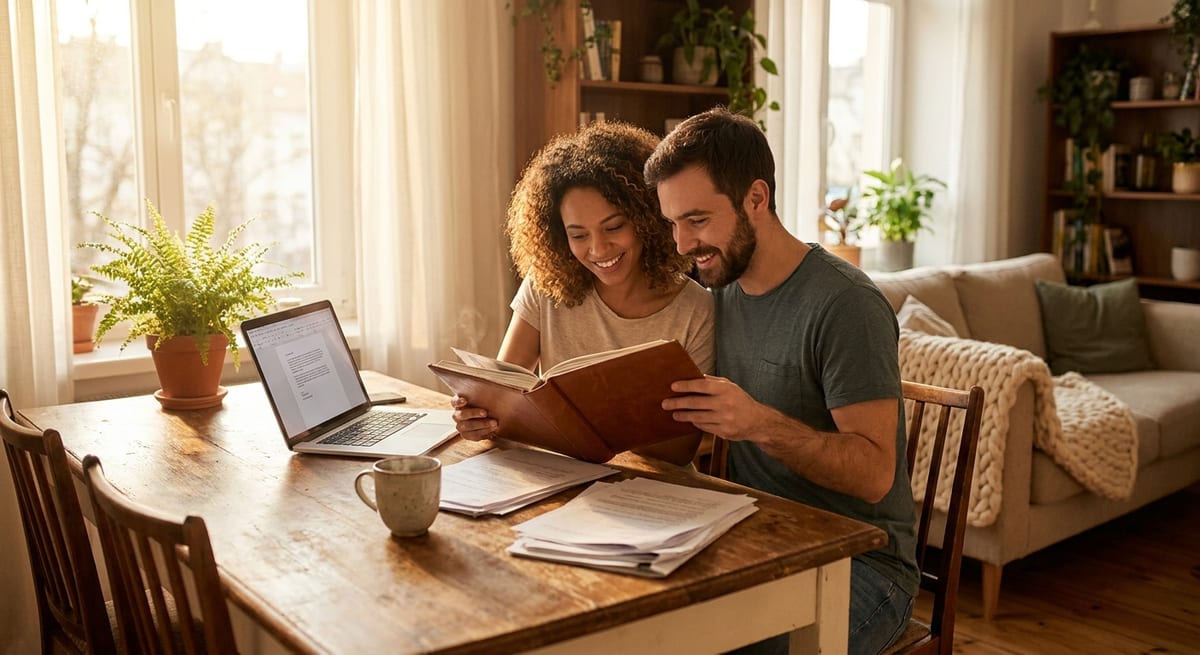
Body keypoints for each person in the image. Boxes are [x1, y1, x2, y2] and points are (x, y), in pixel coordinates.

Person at [645, 107, 918, 654]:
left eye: (697, 220)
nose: (681, 244)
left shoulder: (846, 305)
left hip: (862, 563)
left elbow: (873, 476)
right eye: (673, 223)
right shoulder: (718, 289)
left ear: (756, 198)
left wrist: (759, 424)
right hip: (758, 537)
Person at [451, 120, 714, 466]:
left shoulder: (696, 310)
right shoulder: (546, 286)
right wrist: (479, 418)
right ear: (559, 237)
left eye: (614, 227)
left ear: (649, 218)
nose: (598, 249)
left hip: (655, 492)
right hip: (563, 477)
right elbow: (505, 395)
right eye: (578, 235)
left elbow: (677, 452)